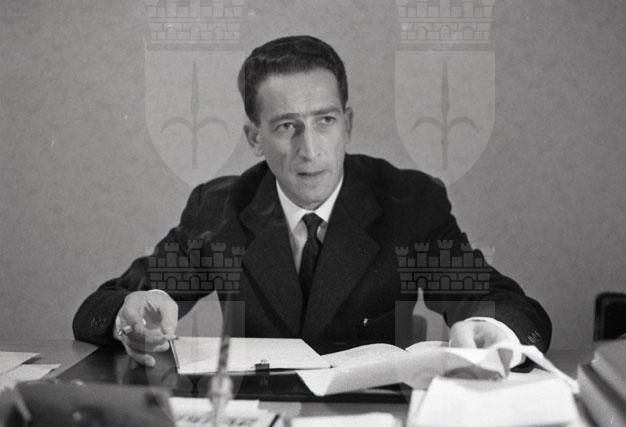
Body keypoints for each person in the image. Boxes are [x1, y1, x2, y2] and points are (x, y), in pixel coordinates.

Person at [73, 35, 551, 368]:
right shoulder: (218, 210)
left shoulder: (410, 202)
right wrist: (129, 314)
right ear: (254, 138)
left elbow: (506, 303)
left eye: (325, 121)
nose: (310, 149)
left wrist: (494, 330)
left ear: (348, 123)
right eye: (287, 126)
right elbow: (103, 306)